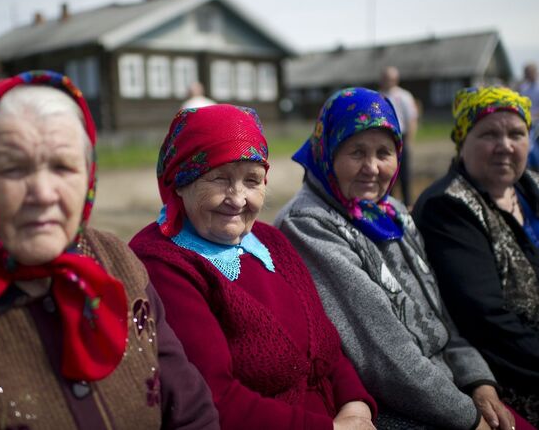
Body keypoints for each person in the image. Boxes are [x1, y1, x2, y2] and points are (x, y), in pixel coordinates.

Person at [0, 70, 220, 429]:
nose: (43, 193)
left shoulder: (118, 262)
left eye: (63, 167)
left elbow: (193, 413)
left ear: (88, 175)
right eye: (13, 169)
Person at [274, 87, 533, 429]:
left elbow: (439, 314)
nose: (372, 167)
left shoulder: (389, 210)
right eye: (356, 152)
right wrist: (467, 416)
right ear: (327, 152)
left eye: (384, 152)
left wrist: (478, 382)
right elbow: (383, 356)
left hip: (446, 388)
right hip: (393, 406)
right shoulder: (309, 224)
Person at [129, 104, 377, 430]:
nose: (238, 198)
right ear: (179, 181)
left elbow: (329, 349)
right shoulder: (162, 262)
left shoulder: (269, 239)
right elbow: (214, 398)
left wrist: (356, 407)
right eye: (219, 178)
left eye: (252, 180)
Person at [413, 86, 539, 426]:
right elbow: (487, 319)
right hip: (510, 377)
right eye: (489, 134)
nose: (506, 146)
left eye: (517, 133)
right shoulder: (448, 206)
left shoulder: (532, 187)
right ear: (462, 140)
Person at [379, 66, 418, 206]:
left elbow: (412, 119)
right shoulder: (379, 96)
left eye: (390, 78)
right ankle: (388, 205)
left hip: (401, 136)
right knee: (386, 174)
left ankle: (408, 205)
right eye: (385, 78)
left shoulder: (404, 96)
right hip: (384, 137)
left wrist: (408, 142)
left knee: (404, 176)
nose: (387, 81)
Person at [519, 63, 539, 171]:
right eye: (526, 73)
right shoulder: (523, 88)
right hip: (526, 121)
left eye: (530, 72)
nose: (528, 75)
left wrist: (532, 116)